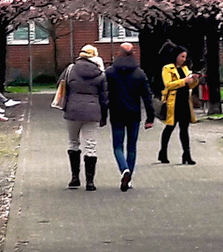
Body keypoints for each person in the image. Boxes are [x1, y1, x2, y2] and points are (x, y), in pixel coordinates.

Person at [105, 42, 157, 191]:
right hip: (134, 114)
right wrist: (150, 117)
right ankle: (129, 179)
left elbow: (105, 95)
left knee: (117, 146)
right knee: (132, 147)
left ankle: (124, 169)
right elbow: (147, 97)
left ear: (119, 53)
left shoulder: (110, 72)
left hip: (116, 113)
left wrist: (103, 115)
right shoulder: (139, 73)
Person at [61, 43, 109, 190]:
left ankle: (75, 178)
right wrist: (104, 116)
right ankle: (90, 182)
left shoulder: (70, 69)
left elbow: (62, 85)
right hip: (92, 112)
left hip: (73, 111)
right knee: (91, 146)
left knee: (73, 142)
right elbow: (104, 97)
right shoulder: (101, 74)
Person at [158, 41, 200, 165]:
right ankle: (163, 152)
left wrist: (194, 80)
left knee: (184, 128)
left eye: (185, 57)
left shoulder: (185, 68)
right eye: (182, 56)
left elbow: (190, 85)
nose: (184, 59)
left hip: (185, 101)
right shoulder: (167, 68)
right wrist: (183, 81)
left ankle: (186, 154)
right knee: (170, 127)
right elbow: (168, 84)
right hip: (173, 101)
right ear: (176, 56)